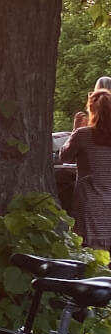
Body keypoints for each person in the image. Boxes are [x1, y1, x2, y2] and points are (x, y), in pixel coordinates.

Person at [60, 88, 111, 250]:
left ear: (91, 110)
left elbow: (64, 157)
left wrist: (75, 129)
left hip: (90, 204)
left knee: (91, 258)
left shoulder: (83, 135)